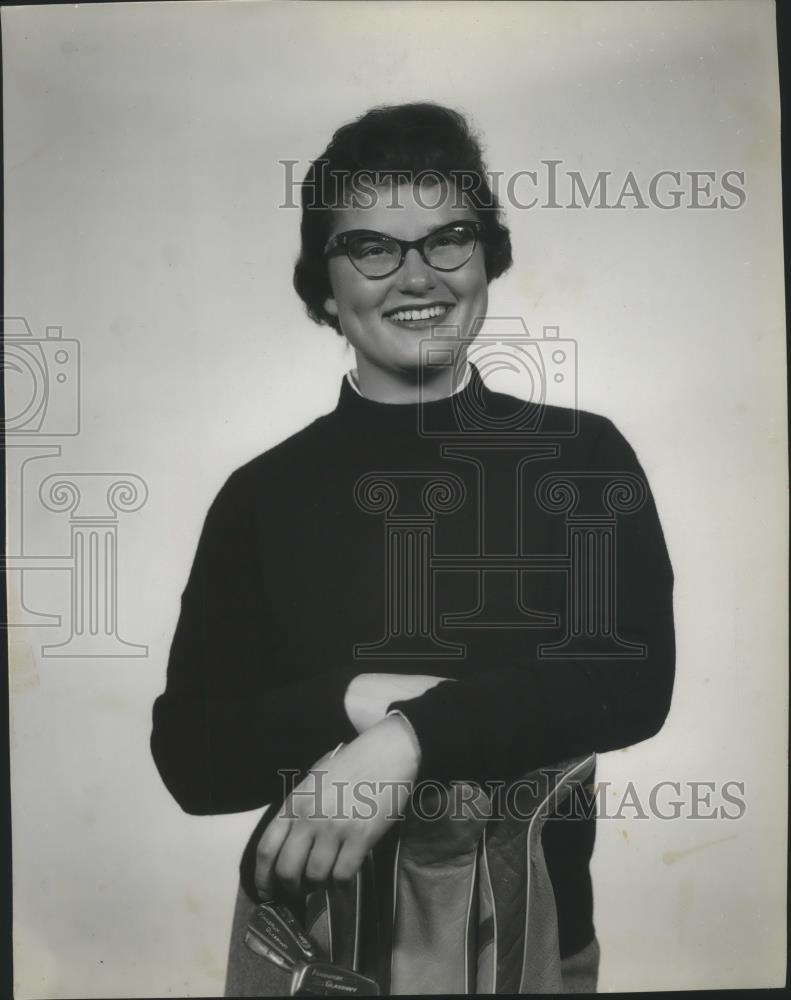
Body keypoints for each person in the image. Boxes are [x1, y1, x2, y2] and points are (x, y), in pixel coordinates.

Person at [151, 102, 675, 994]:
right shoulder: (260, 496)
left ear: (486, 260)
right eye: (370, 248)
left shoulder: (581, 456)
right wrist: (351, 700)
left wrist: (409, 739)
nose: (415, 274)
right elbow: (192, 756)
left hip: (530, 951)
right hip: (305, 957)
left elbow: (625, 685)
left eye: (447, 239)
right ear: (323, 286)